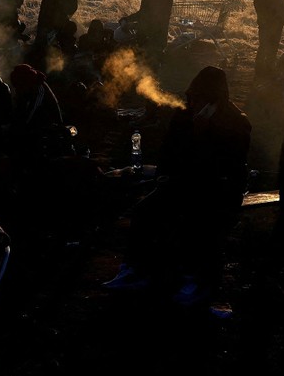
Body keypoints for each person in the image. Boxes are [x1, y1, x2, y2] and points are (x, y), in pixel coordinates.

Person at [103, 66, 252, 306]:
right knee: (144, 211)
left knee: (200, 223)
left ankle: (197, 281)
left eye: (200, 98)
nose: (194, 102)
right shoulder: (185, 115)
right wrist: (164, 175)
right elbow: (169, 152)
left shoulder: (236, 122)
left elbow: (226, 167)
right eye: (192, 97)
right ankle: (135, 269)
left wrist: (205, 132)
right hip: (183, 184)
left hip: (218, 191)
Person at [119, 0, 176, 74]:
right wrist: (127, 19)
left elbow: (155, 21)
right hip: (146, 36)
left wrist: (133, 25)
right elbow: (143, 13)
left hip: (153, 40)